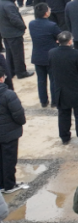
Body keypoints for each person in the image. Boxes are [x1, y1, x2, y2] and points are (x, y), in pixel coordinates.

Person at [29, 3, 60, 107]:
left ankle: (43, 101)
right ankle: (54, 101)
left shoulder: (32, 24)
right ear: (46, 13)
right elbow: (59, 36)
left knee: (41, 80)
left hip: (37, 56)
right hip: (50, 56)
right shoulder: (52, 25)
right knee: (53, 79)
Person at [0, 65, 24, 194]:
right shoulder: (8, 94)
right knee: (9, 160)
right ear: (1, 78)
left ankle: (1, 184)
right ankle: (9, 185)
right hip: (9, 134)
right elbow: (19, 115)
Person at [0, 0, 28, 80]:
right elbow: (14, 19)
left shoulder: (2, 2)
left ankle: (11, 71)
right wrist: (22, 26)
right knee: (18, 54)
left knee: (10, 53)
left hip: (5, 32)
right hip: (14, 33)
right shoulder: (9, 5)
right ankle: (21, 72)